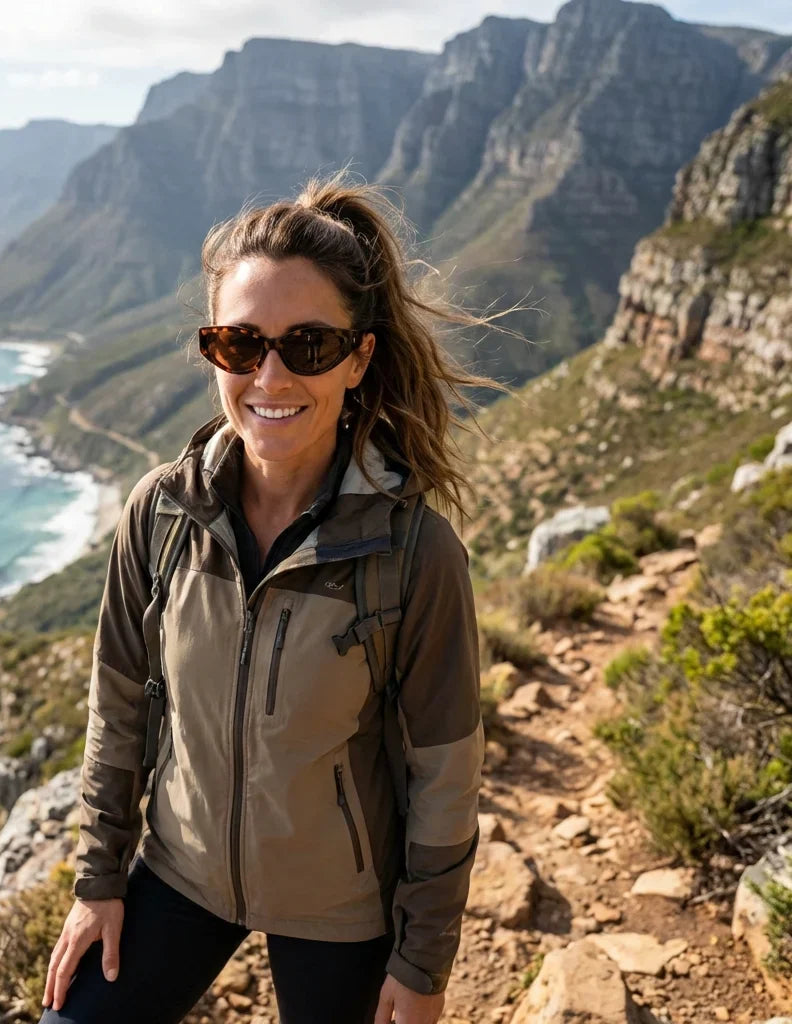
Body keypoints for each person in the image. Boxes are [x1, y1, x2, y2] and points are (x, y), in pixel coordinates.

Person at [39, 173, 501, 1024]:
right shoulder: (161, 515)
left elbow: (445, 778)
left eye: (309, 345)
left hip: (342, 908)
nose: (271, 376)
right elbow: (118, 709)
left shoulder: (414, 553)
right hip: (179, 871)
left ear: (359, 358)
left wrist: (423, 961)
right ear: (214, 352)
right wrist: (97, 881)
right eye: (241, 344)